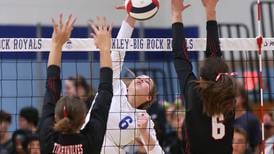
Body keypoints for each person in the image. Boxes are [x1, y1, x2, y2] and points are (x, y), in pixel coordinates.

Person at [82, 14, 164, 153]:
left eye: (147, 82)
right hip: (86, 146)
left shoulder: (144, 119)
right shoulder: (115, 86)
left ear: (149, 97)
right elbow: (118, 52)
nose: (141, 79)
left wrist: (144, 132)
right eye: (140, 77)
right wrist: (132, 15)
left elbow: (157, 152)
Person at [38, 14, 113, 154]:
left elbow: (105, 93)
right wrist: (104, 48)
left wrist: (56, 44)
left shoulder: (48, 139)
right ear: (84, 119)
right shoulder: (90, 140)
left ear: (55, 117)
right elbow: (105, 94)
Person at [171, 0, 238, 153]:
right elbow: (181, 57)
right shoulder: (228, 95)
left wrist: (210, 11)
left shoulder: (225, 95)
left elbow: (213, 55)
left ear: (201, 78)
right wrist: (177, 15)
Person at [234, 85, 261, 153]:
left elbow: (257, 146)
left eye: (236, 96)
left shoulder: (251, 119)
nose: (233, 99)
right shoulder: (225, 118)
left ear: (243, 98)